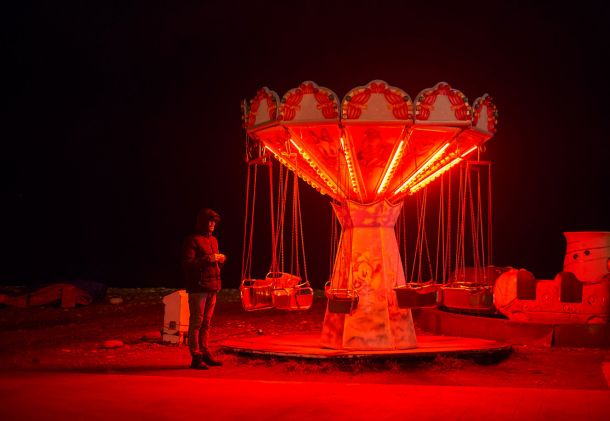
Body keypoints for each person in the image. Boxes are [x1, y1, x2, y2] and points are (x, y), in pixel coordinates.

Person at [182, 208, 226, 369]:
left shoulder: (214, 240)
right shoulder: (192, 240)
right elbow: (188, 263)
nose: (212, 224)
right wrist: (208, 259)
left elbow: (212, 263)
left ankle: (205, 352)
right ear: (202, 222)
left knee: (206, 323)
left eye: (214, 221)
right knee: (196, 322)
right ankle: (196, 355)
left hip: (212, 286)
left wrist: (220, 260)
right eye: (210, 221)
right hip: (198, 288)